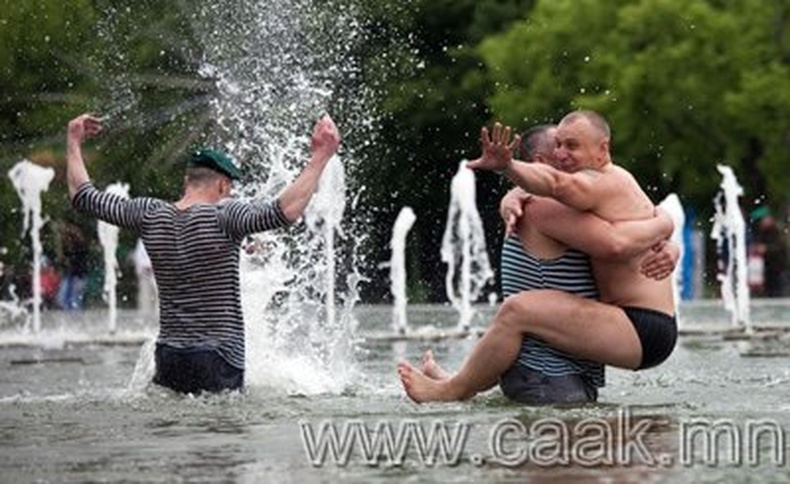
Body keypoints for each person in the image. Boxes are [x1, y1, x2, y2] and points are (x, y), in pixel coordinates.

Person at [399, 110, 678, 403]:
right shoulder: (604, 186)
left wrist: (507, 166)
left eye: (572, 146)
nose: (561, 155)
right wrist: (665, 228)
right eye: (558, 146)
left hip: (642, 327)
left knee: (519, 310)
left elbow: (568, 193)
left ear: (603, 149)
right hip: (637, 323)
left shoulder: (602, 182)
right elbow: (559, 186)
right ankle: (462, 381)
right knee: (520, 312)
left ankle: (453, 390)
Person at [67, 112, 341, 394]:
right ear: (223, 185)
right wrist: (321, 157)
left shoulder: (148, 213)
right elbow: (286, 210)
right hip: (218, 358)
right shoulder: (225, 215)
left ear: (187, 180)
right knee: (220, 430)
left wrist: (73, 142)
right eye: (229, 188)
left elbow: (83, 196)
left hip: (169, 357)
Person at [748, 206, 788, 297]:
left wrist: (766, 249)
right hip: (767, 270)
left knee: (780, 293)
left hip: (780, 269)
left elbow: (782, 247)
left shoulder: (778, 230)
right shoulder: (762, 232)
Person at [132, 239, 157, 314]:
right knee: (145, 298)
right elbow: (138, 256)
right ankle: (144, 318)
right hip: (145, 274)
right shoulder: (143, 240)